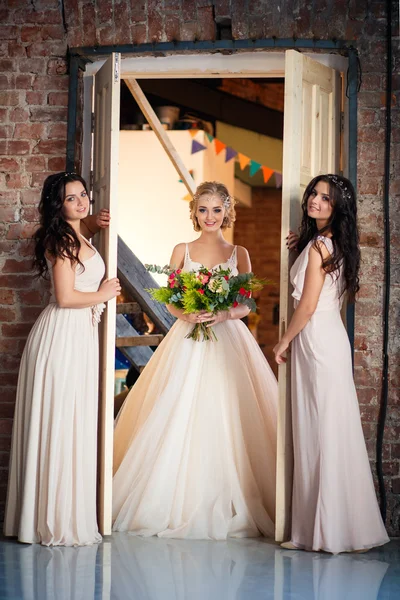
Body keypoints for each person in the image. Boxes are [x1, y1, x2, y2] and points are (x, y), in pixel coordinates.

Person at [113, 181, 278, 540]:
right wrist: (187, 313)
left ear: (227, 212)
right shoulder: (181, 250)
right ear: (194, 212)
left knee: (229, 409)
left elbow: (248, 303)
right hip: (188, 338)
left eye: (217, 209)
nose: (210, 216)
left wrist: (223, 315)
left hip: (228, 339)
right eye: (203, 209)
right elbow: (169, 299)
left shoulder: (240, 253)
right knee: (179, 408)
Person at [273, 174, 389, 554]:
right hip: (328, 336)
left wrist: (283, 341)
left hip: (315, 338)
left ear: (338, 207)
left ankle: (318, 531)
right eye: (314, 195)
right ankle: (329, 528)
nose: (316, 201)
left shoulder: (320, 245)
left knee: (319, 429)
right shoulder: (331, 243)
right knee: (328, 428)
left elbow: (306, 306)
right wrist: (300, 247)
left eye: (326, 198)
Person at [4, 172, 121, 546]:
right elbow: (67, 296)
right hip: (61, 337)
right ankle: (50, 518)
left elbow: (82, 261)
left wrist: (92, 226)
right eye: (72, 198)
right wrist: (104, 294)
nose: (82, 201)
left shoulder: (78, 235)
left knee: (72, 421)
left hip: (78, 338)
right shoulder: (59, 240)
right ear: (59, 205)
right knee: (60, 420)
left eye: (83, 195)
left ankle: (63, 508)